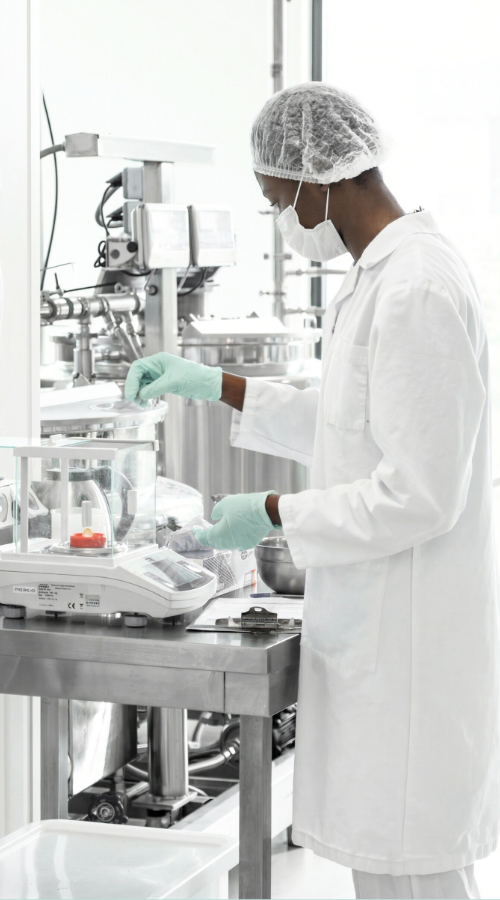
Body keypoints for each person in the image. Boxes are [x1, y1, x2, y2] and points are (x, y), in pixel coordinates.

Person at [125, 84, 500, 900]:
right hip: (383, 638)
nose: (282, 222)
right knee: (398, 872)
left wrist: (270, 513)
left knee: (415, 873)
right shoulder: (381, 277)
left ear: (319, 179)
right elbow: (346, 424)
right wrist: (215, 384)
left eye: (276, 201)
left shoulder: (417, 289)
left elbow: (419, 493)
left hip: (410, 650)